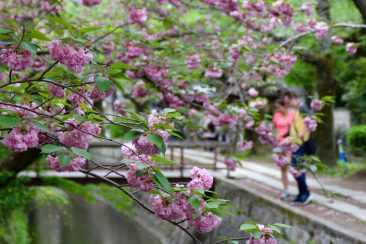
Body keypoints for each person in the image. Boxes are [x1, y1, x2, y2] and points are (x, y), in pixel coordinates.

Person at [282, 91, 312, 205]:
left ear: (293, 98)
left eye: (288, 101)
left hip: (301, 144)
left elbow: (313, 120)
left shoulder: (303, 107)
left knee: (298, 169)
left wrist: (303, 132)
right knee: (295, 169)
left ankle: (305, 194)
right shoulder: (298, 110)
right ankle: (301, 194)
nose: (288, 104)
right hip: (295, 144)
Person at [272, 99, 296, 200]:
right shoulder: (277, 115)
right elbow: (274, 129)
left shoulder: (292, 115)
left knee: (291, 165)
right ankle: (286, 189)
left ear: (284, 106)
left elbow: (295, 130)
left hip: (290, 144)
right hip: (279, 144)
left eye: (279, 107)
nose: (277, 109)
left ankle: (299, 188)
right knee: (282, 167)